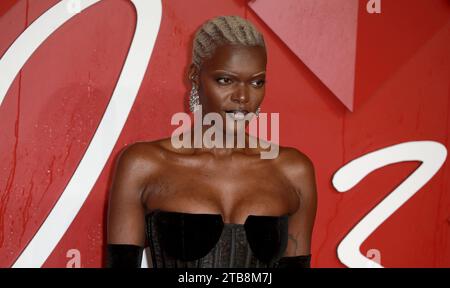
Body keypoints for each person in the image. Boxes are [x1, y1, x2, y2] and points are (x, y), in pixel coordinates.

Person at [106, 15, 317, 268]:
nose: (242, 96)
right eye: (225, 80)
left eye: (256, 82)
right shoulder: (143, 164)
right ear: (195, 76)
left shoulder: (293, 170)